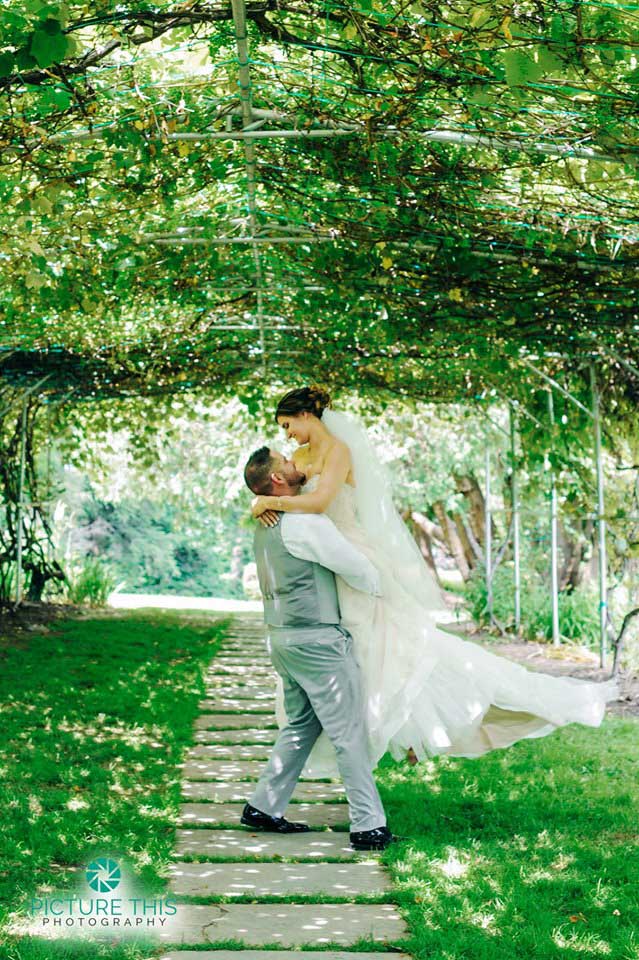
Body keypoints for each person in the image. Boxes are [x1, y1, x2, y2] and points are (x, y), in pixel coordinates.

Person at [250, 385, 620, 777]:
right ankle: (382, 729)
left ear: (305, 414)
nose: (287, 435)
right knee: (356, 650)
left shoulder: (338, 451)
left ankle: (415, 726)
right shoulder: (296, 459)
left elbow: (320, 502)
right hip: (325, 562)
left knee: (394, 648)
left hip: (354, 555)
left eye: (288, 425)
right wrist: (261, 500)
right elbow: (282, 488)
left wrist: (270, 502)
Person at [241, 446, 396, 851]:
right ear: (278, 479)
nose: (296, 462)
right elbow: (357, 568)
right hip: (317, 641)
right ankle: (368, 826)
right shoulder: (304, 523)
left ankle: (262, 807)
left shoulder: (266, 525)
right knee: (349, 733)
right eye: (287, 462)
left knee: (301, 725)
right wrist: (388, 593)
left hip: (282, 639)